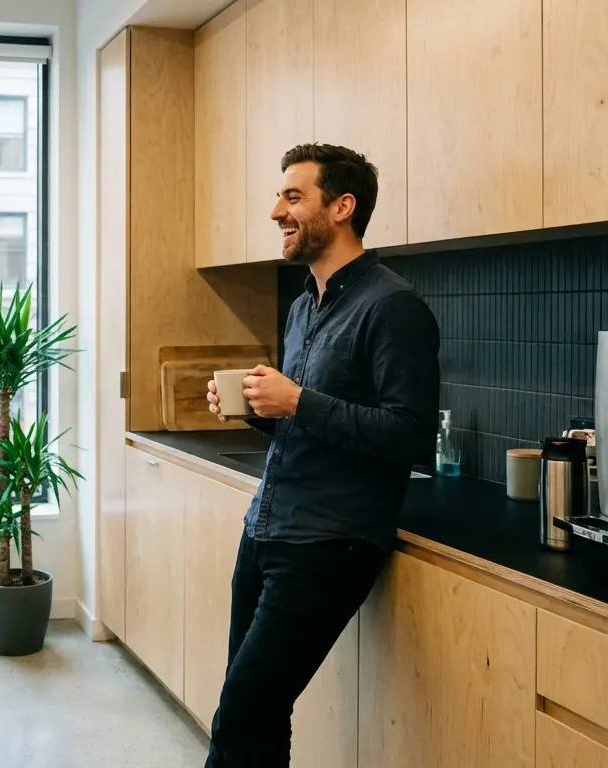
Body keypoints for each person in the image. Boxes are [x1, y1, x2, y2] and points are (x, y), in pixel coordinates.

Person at [203, 144, 441, 767]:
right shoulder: (304, 304)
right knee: (253, 708)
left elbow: (411, 435)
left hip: (331, 541)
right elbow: (304, 423)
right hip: (269, 527)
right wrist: (259, 409)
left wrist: (298, 401)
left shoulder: (394, 307)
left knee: (240, 715)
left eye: (292, 196)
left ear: (342, 206)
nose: (275, 209)